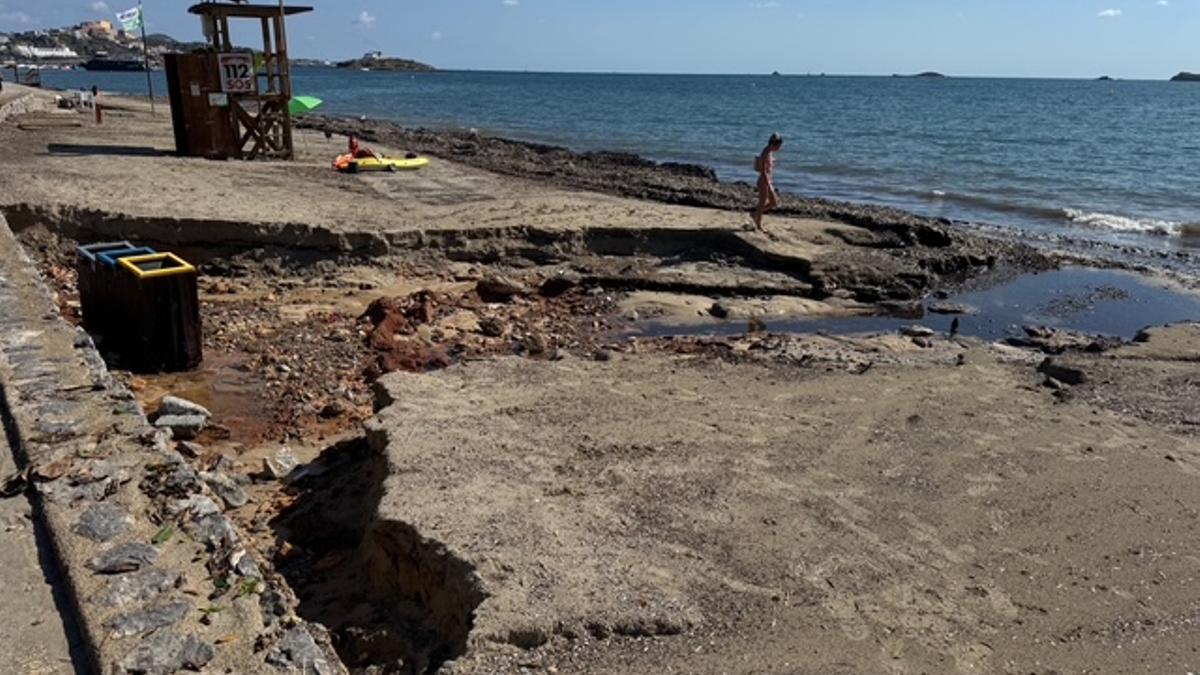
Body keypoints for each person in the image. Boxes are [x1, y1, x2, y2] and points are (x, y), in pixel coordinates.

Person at [752, 133, 784, 230]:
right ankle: (758, 224)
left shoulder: (769, 152)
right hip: (764, 181)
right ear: (775, 144)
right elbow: (763, 170)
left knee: (774, 203)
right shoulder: (765, 152)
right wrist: (768, 184)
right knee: (762, 202)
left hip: (767, 180)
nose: (779, 148)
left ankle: (755, 214)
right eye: (779, 146)